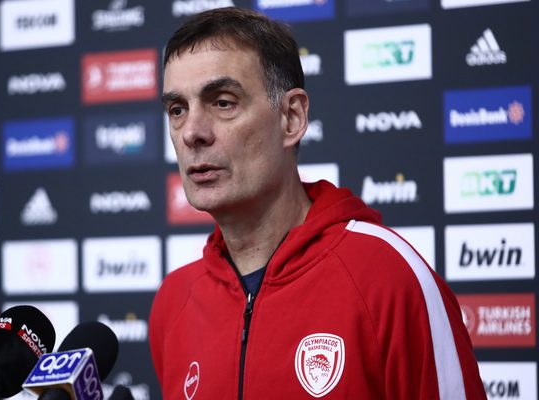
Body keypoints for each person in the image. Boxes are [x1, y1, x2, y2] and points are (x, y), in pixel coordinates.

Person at [149, 7, 486, 400]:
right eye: (177, 109)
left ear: (291, 118)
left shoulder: (390, 279)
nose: (191, 132)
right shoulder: (174, 301)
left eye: (223, 102)